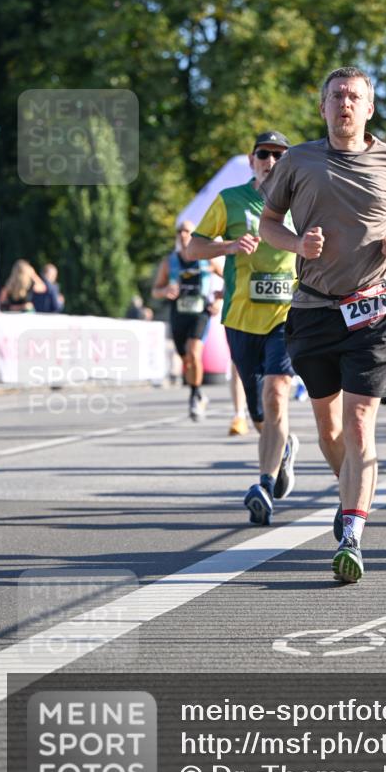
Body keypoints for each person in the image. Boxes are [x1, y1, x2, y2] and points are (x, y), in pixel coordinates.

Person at [259, 66, 386, 584]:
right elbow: (268, 223)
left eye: (354, 97)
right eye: (336, 96)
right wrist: (296, 244)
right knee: (329, 429)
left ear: (369, 108)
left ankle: (352, 533)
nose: (345, 104)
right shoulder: (298, 160)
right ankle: (349, 490)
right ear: (323, 107)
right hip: (312, 310)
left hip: (372, 310)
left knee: (358, 423)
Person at [187, 130, 299, 525]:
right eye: (263, 154)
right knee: (259, 413)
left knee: (277, 392)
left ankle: (264, 486)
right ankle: (283, 448)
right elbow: (193, 248)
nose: (271, 162)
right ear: (252, 161)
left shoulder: (302, 201)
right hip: (240, 317)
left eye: (279, 155)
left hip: (286, 315)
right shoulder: (230, 199)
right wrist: (229, 247)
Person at [151, 220, 220, 421]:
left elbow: (231, 278)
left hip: (200, 312)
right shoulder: (169, 262)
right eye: (180, 231)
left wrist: (219, 299)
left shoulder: (207, 260)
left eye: (187, 231)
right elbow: (155, 290)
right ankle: (197, 393)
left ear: (194, 234)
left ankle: (194, 397)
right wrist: (165, 290)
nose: (183, 234)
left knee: (194, 353)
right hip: (179, 313)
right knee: (186, 360)